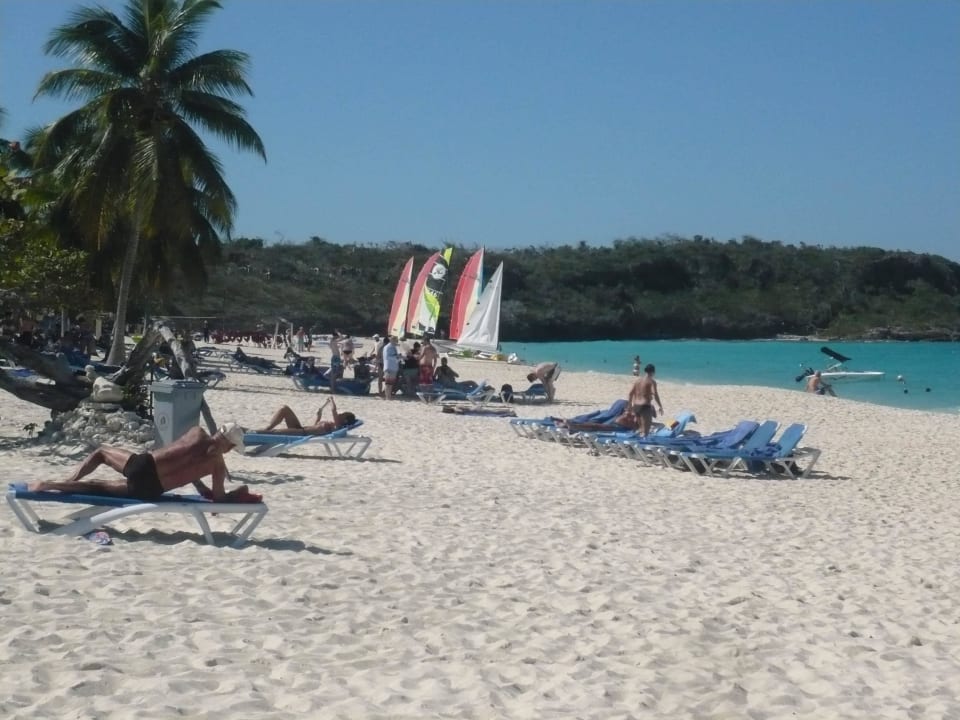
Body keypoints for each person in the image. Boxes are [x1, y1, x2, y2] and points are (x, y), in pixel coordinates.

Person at [28, 424, 248, 501]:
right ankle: (53, 486)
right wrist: (236, 493)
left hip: (144, 464)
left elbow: (183, 455)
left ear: (219, 430)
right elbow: (218, 497)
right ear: (229, 446)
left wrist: (198, 484)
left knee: (101, 452)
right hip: (151, 488)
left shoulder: (196, 432)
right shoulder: (218, 465)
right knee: (98, 487)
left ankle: (65, 480)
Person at [256, 397, 356, 435]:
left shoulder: (337, 427)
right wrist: (318, 417)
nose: (340, 414)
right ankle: (266, 429)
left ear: (345, 420)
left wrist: (331, 400)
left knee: (274, 433)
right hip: (300, 429)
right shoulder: (333, 424)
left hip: (302, 433)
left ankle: (253, 432)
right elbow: (315, 427)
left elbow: (334, 410)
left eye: (343, 415)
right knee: (284, 408)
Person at [629, 363, 664, 436]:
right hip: (645, 406)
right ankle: (642, 444)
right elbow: (655, 393)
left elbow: (630, 393)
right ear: (653, 372)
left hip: (636, 406)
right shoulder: (651, 381)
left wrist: (630, 406)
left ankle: (638, 444)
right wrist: (660, 406)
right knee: (645, 432)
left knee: (641, 429)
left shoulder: (638, 381)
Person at [383, 335, 401, 400]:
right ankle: (387, 397)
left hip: (393, 367)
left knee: (391, 383)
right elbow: (388, 357)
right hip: (389, 366)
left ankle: (389, 396)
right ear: (392, 340)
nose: (397, 342)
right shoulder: (388, 347)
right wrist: (397, 357)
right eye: (396, 340)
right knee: (388, 383)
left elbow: (395, 357)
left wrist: (399, 357)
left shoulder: (393, 347)